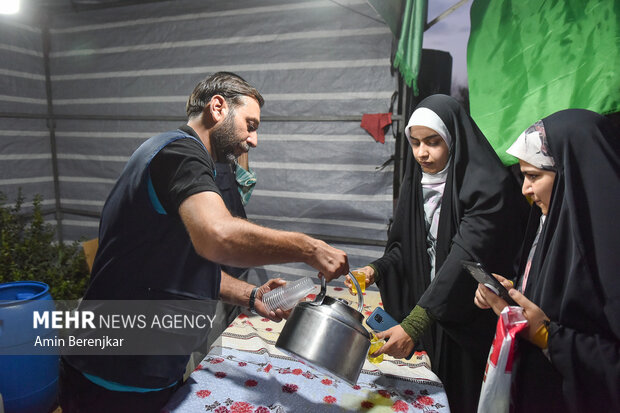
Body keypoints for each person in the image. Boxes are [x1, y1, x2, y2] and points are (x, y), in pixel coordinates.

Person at [59, 72, 349, 413]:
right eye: (250, 124)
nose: (253, 140)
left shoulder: (175, 153)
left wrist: (252, 295)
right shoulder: (179, 153)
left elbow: (178, 264)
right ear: (217, 107)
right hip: (112, 377)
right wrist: (309, 248)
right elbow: (218, 236)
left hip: (146, 371)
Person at [345, 94, 530, 413]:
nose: (422, 153)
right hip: (432, 309)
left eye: (433, 142)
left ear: (454, 138)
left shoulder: (488, 187)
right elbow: (407, 246)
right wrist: (376, 269)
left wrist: (416, 322)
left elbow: (465, 255)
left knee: (467, 396)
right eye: (415, 143)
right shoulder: (418, 180)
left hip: (469, 316)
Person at [474, 109, 620, 412]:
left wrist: (547, 336)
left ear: (572, 173)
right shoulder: (549, 226)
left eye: (534, 176)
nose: (525, 189)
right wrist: (512, 298)